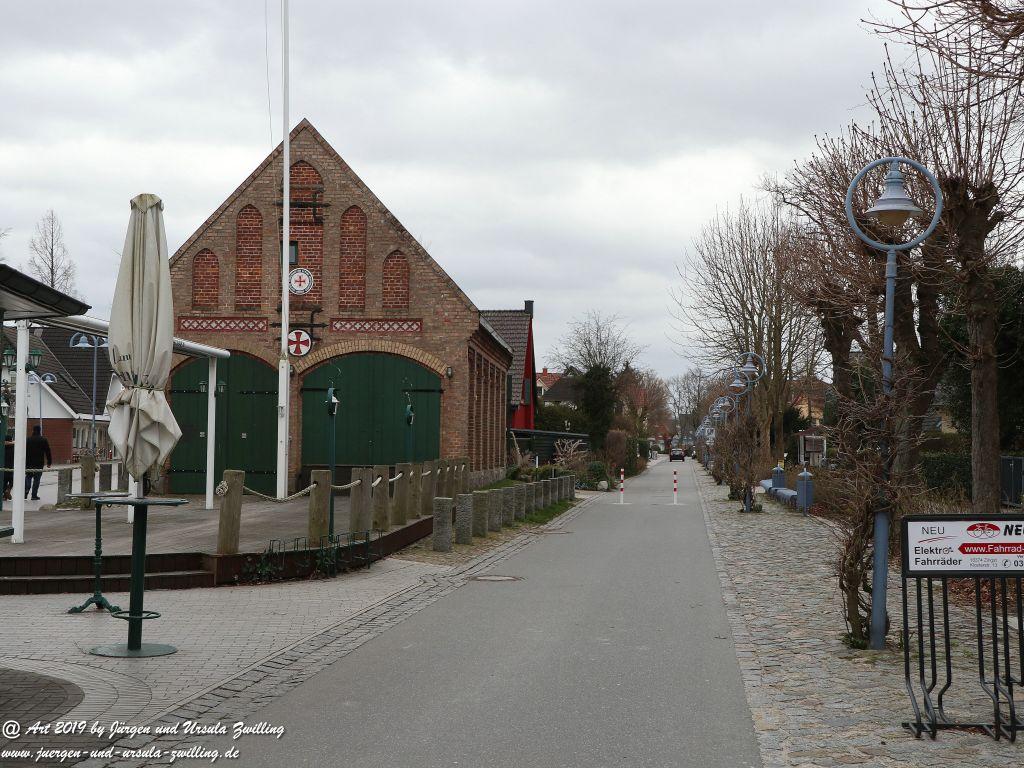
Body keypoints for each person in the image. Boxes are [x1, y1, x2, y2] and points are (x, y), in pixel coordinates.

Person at [25, 425, 52, 501]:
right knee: (37, 479)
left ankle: (26, 490)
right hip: (39, 463)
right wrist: (49, 462)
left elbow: (24, 451)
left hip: (29, 462)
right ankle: (34, 495)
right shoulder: (43, 440)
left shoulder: (28, 439)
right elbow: (48, 451)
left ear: (33, 431)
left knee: (28, 476)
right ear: (40, 431)